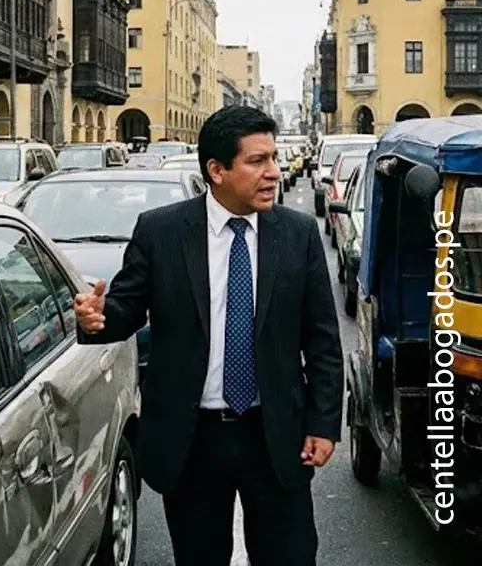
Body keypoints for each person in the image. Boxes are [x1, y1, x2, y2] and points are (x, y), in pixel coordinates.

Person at [74, 106, 343, 566]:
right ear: (216, 171)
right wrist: (98, 319)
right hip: (192, 438)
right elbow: (125, 311)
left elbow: (322, 338)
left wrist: (322, 423)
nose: (274, 172)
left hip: (275, 433)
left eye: (274, 158)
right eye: (257, 161)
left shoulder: (296, 234)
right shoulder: (161, 231)